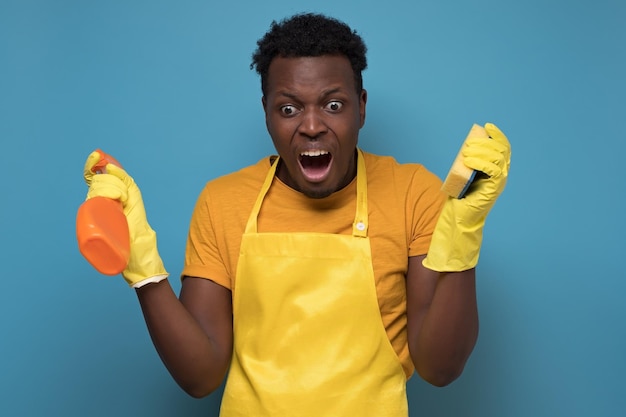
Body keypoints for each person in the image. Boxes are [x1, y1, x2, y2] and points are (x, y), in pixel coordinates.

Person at [82, 12, 511, 417]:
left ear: (361, 106)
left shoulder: (410, 192)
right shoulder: (223, 201)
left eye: (333, 105)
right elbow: (201, 376)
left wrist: (463, 234)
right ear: (266, 111)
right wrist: (144, 269)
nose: (310, 126)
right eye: (288, 108)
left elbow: (441, 368)